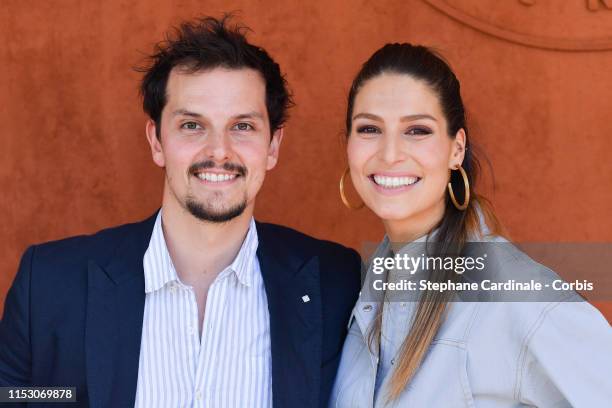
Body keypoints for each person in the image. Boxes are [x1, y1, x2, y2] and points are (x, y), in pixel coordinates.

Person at [0, 16, 361, 407]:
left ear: (273, 145)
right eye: (192, 125)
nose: (219, 150)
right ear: (156, 140)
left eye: (242, 126)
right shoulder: (52, 285)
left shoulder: (334, 283)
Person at [330, 43, 612, 407]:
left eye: (417, 130)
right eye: (369, 129)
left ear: (456, 149)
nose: (389, 154)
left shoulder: (517, 297)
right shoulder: (364, 289)